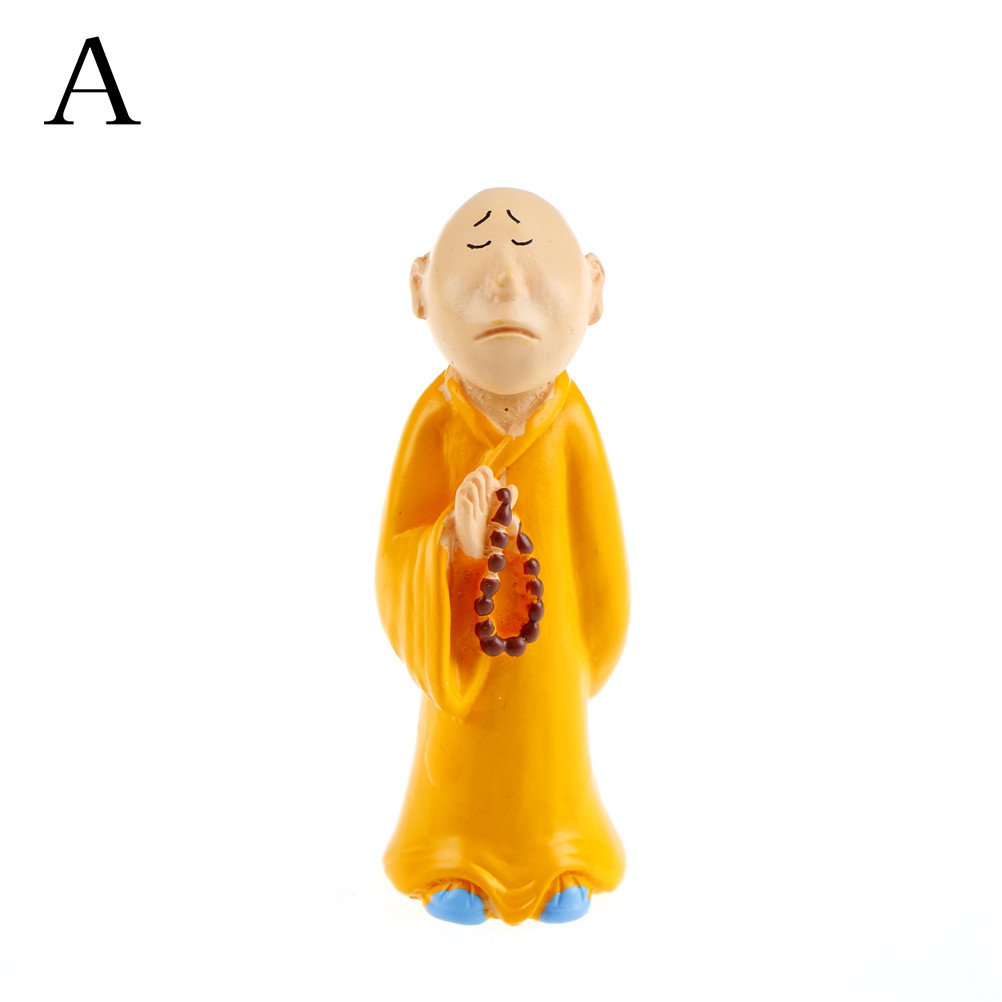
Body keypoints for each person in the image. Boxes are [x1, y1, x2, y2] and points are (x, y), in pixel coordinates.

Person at [376, 189, 629, 925]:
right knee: (466, 752)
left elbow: (600, 548)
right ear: (421, 289)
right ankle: (454, 853)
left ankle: (559, 852)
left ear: (592, 290)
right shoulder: (436, 420)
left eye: (529, 257)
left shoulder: (570, 421)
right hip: (466, 650)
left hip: (551, 658)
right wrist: (449, 546)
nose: (505, 279)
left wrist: (591, 646)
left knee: (550, 751)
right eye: (480, 252)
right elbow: (394, 553)